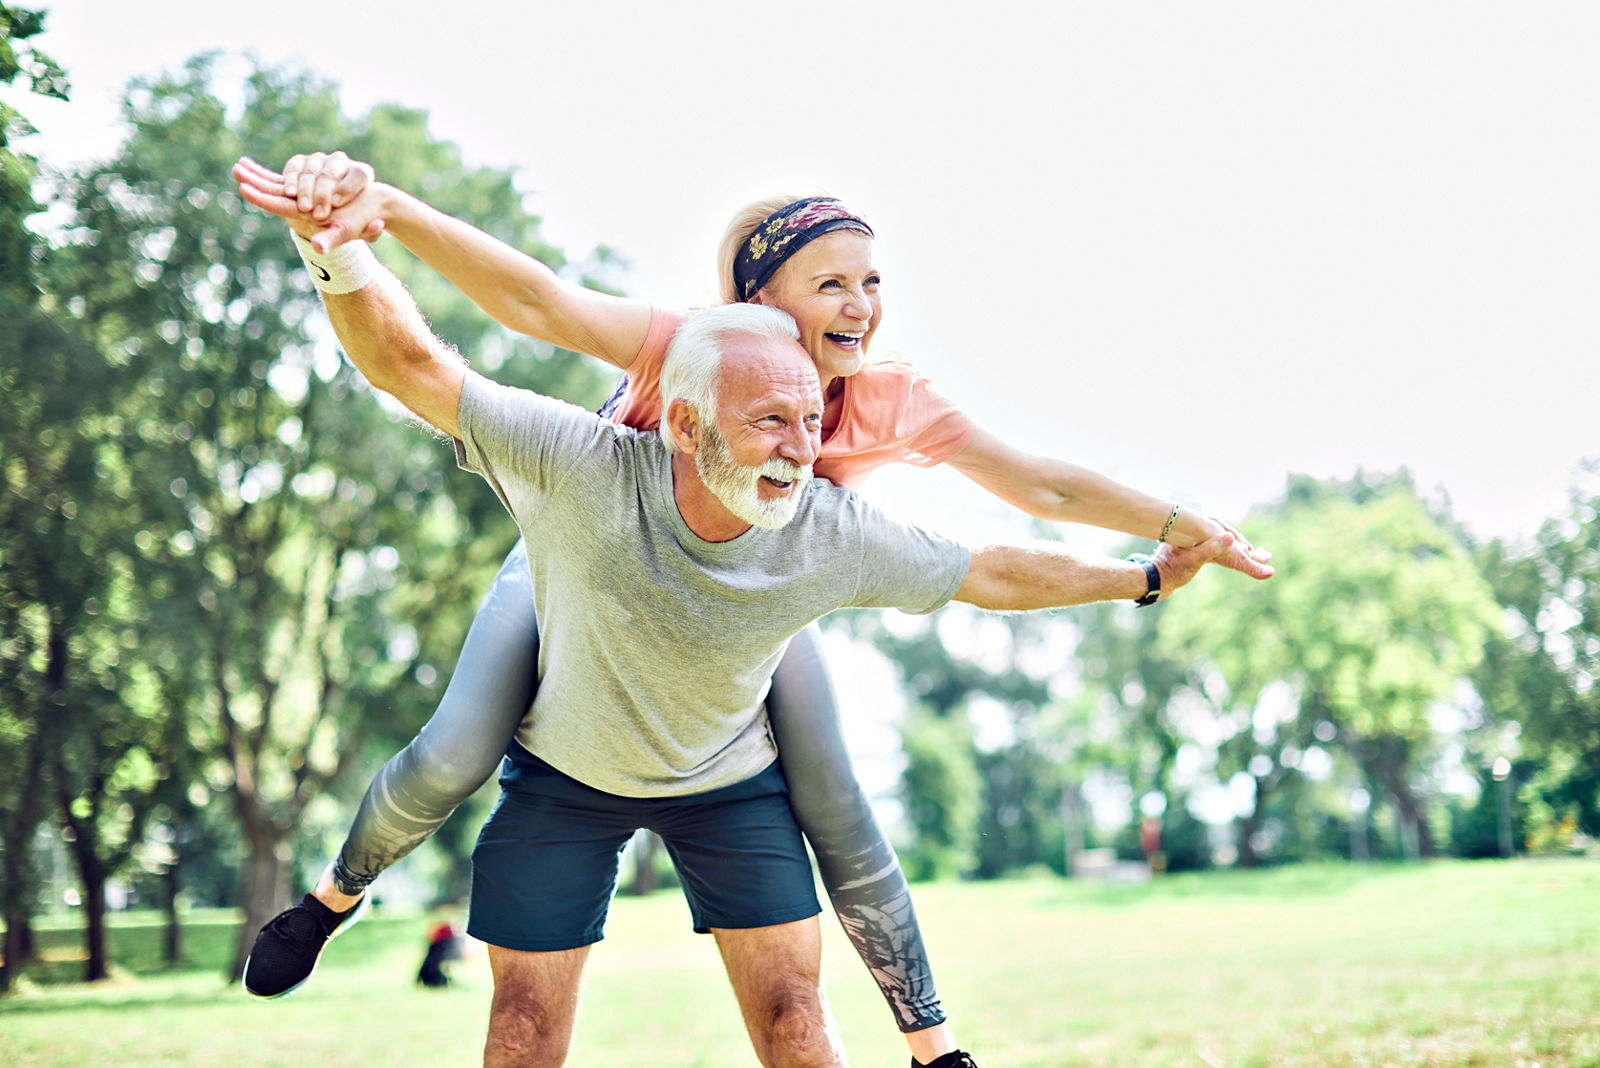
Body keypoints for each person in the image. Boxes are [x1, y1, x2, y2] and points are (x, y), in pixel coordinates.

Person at [233, 154, 1273, 1068]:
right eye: (833, 282)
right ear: (759, 294)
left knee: (837, 804)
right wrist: (387, 216)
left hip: (758, 597)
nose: (861, 304)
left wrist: (1182, 534)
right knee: (455, 751)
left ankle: (934, 1048)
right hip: (589, 573)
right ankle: (333, 897)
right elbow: (537, 307)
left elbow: (1034, 497)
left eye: (873, 280)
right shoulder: (688, 347)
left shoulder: (883, 402)